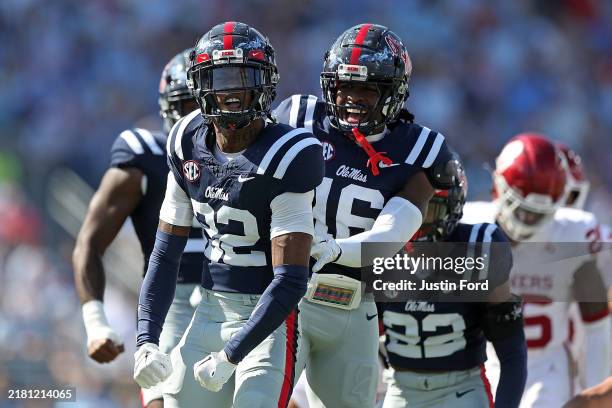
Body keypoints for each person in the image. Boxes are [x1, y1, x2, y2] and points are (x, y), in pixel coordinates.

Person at [132, 22, 324, 408]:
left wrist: (230, 355)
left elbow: (289, 281)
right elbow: (164, 254)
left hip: (270, 320)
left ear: (266, 83)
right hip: (210, 308)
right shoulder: (185, 139)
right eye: (219, 78)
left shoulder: (289, 154)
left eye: (243, 78)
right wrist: (146, 341)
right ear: (200, 85)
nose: (231, 91)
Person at [275, 23, 456, 408]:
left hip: (354, 305)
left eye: (367, 89)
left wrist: (333, 250)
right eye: (344, 86)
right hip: (282, 293)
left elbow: (394, 229)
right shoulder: (298, 116)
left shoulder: (420, 149)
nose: (352, 99)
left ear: (393, 93)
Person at [72, 49, 204, 408]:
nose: (198, 118)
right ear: (168, 109)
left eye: (206, 103)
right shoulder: (144, 154)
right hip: (171, 301)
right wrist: (96, 322)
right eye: (187, 104)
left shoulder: (267, 155)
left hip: (243, 297)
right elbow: (89, 242)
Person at [462, 133, 610, 407]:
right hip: (480, 365)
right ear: (499, 188)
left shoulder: (575, 234)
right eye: (523, 211)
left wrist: (593, 392)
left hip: (546, 374)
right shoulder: (469, 225)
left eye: (537, 213)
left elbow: (597, 324)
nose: (529, 220)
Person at [379, 156, 527, 408]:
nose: (415, 223)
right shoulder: (374, 248)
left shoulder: (479, 249)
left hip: (462, 389)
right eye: (405, 208)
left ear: (452, 208)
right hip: (399, 388)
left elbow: (512, 351)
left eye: (428, 209)